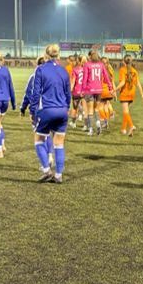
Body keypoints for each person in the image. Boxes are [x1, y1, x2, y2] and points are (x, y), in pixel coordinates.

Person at [30, 43, 71, 183]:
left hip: (47, 110)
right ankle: (59, 175)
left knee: (38, 140)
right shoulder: (64, 70)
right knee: (59, 143)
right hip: (62, 111)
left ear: (46, 55)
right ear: (58, 55)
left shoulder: (40, 69)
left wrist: (33, 111)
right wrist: (67, 108)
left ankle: (47, 170)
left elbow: (36, 94)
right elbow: (68, 93)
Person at [83, 49, 112, 135]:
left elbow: (85, 78)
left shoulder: (87, 65)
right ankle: (98, 124)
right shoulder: (101, 64)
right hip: (99, 90)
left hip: (89, 89)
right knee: (96, 109)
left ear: (90, 57)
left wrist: (83, 89)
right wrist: (110, 87)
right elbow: (106, 76)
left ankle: (91, 130)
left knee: (90, 110)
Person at [116, 54, 143, 136]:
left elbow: (122, 83)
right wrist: (142, 94)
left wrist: (115, 89)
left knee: (125, 112)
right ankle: (123, 129)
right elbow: (138, 83)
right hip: (132, 93)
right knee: (126, 112)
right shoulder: (134, 71)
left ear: (123, 61)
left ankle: (131, 126)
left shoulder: (122, 70)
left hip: (125, 93)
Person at [69, 55, 86, 129]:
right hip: (85, 91)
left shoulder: (75, 69)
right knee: (85, 109)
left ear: (78, 61)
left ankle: (73, 123)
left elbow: (73, 81)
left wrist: (70, 90)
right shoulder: (87, 69)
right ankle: (86, 125)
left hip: (76, 91)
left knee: (75, 108)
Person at [99, 56, 115, 131]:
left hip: (102, 91)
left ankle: (103, 120)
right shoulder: (111, 70)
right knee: (106, 106)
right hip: (109, 92)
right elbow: (112, 82)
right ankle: (106, 122)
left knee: (100, 107)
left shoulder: (100, 71)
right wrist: (114, 92)